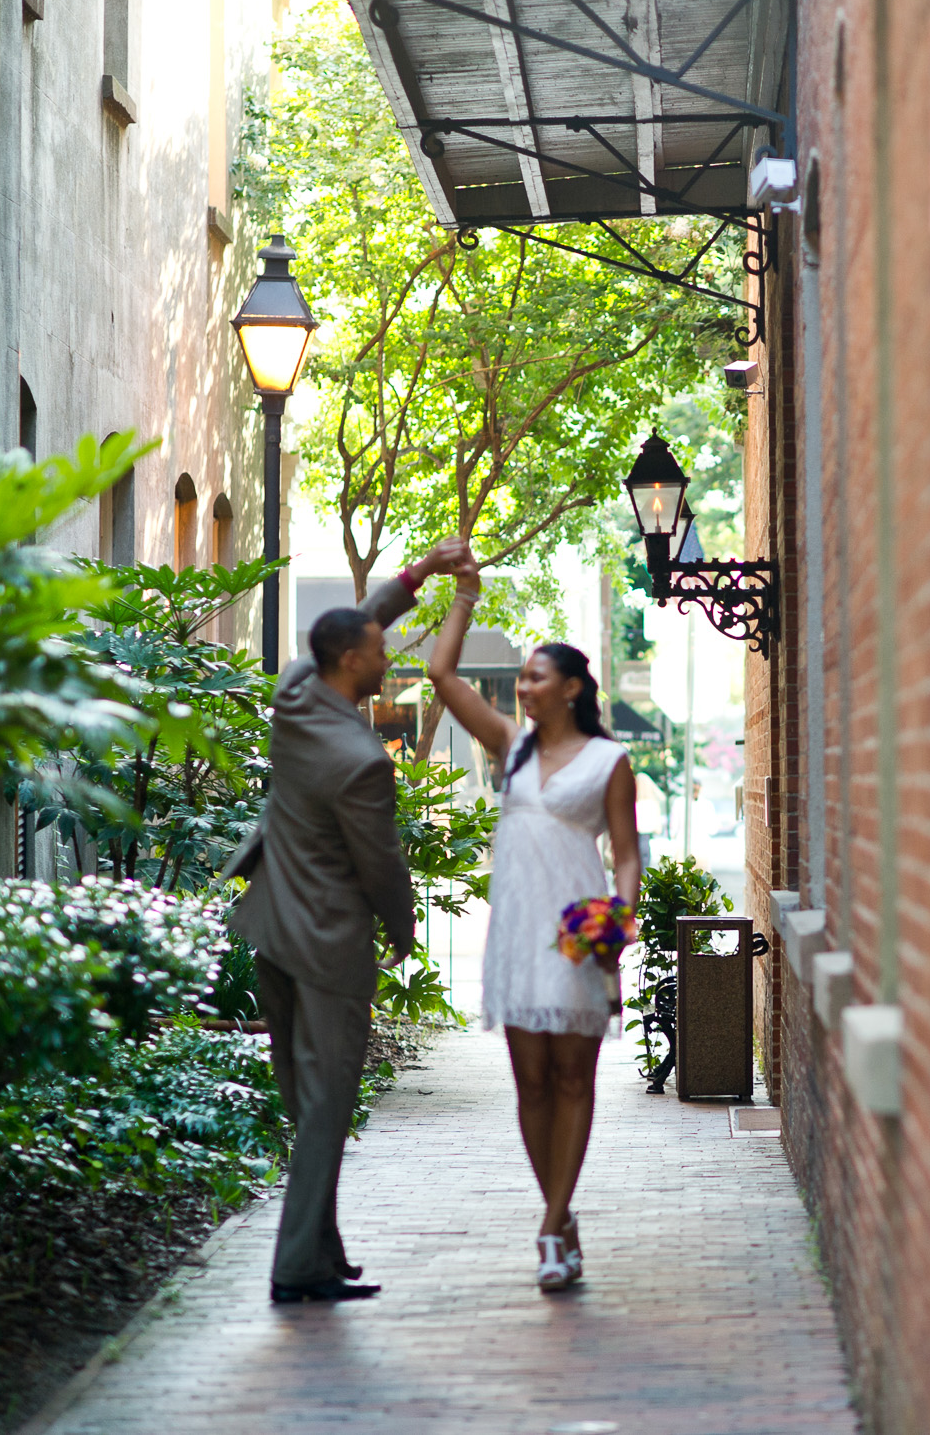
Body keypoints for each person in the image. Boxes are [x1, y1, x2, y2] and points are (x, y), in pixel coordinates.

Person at [222, 542, 465, 1304]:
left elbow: (351, 624)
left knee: (307, 1103)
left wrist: (417, 574)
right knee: (325, 1107)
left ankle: (320, 1251)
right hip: (327, 946)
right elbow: (382, 864)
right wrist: (402, 930)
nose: (386, 652)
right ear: (350, 662)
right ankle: (297, 1268)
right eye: (379, 647)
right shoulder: (361, 758)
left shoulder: (296, 694)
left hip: (269, 928)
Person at [424, 546, 641, 1292]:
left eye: (535, 676)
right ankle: (561, 1214)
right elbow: (442, 676)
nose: (522, 687)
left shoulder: (609, 762)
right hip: (517, 932)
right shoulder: (509, 750)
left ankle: (552, 1224)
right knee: (532, 1084)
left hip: (577, 931)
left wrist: (622, 917)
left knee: (574, 1080)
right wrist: (464, 596)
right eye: (520, 678)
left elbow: (626, 853)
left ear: (572, 688)